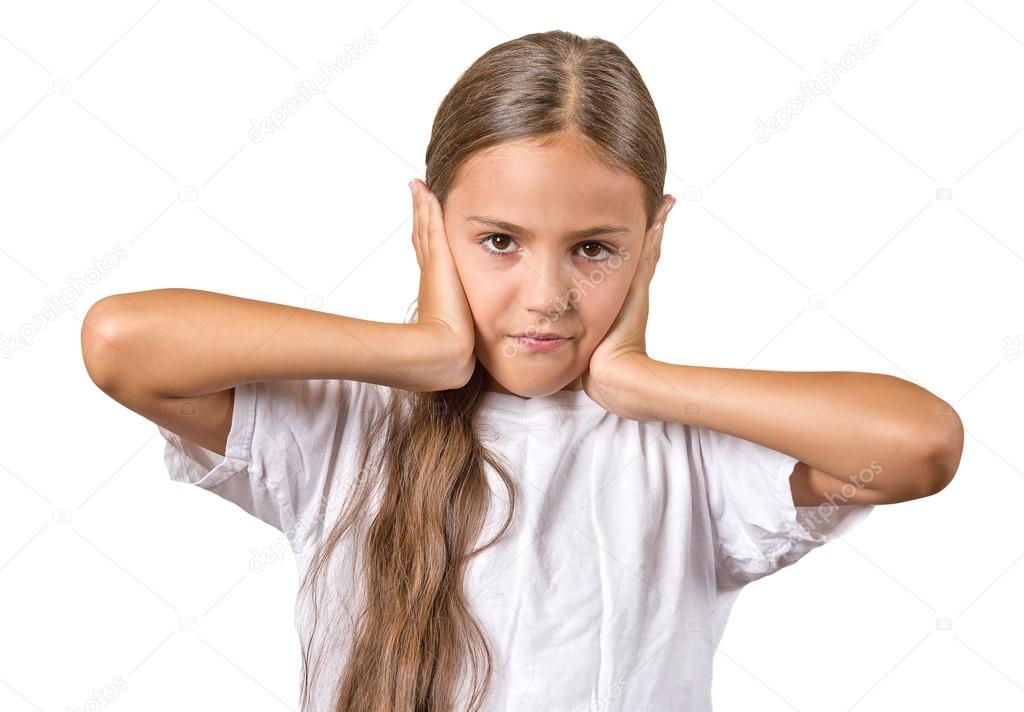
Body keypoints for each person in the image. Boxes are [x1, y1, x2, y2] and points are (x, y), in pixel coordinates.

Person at [81, 29, 964, 712]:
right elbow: (123, 344)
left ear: (652, 240)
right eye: (499, 241)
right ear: (430, 224)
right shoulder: (345, 428)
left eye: (594, 250)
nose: (547, 296)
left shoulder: (695, 461)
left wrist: (637, 381)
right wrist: (423, 349)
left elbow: (916, 446)